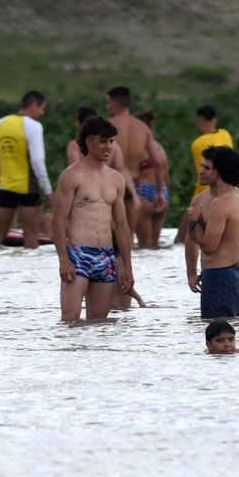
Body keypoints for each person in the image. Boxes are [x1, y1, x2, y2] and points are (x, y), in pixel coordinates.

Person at [53, 116, 135, 322]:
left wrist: (127, 266)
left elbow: (122, 226)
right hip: (78, 254)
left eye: (111, 141)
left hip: (106, 256)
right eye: (103, 141)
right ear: (89, 142)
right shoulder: (72, 176)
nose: (109, 147)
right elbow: (58, 220)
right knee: (70, 319)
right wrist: (63, 259)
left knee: (99, 323)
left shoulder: (116, 178)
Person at [185, 146, 239, 319]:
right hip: (233, 274)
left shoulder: (220, 203)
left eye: (208, 167)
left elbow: (209, 247)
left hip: (219, 275)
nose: (201, 171)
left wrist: (195, 221)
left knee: (217, 331)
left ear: (217, 172)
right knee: (230, 331)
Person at [0, 90, 52, 248]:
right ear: (33, 105)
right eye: (42, 108)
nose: (42, 113)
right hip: (29, 188)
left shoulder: (1, 123)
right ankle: (30, 273)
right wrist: (48, 190)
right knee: (31, 233)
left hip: (6, 187)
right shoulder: (35, 126)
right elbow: (37, 160)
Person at [103, 87, 161, 248]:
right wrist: (160, 190)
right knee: (127, 234)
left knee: (109, 233)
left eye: (108, 103)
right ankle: (128, 271)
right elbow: (158, 161)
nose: (107, 107)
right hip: (133, 184)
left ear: (115, 102)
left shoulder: (107, 125)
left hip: (111, 182)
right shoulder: (143, 128)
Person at [133, 108, 171, 249]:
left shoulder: (137, 148)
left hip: (143, 192)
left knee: (144, 247)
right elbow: (166, 175)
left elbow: (132, 174)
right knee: (155, 246)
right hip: (163, 194)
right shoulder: (159, 147)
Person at [189, 105, 233, 196]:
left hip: (209, 192)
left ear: (199, 121)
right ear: (214, 120)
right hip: (229, 188)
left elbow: (202, 172)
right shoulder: (225, 133)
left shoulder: (198, 143)